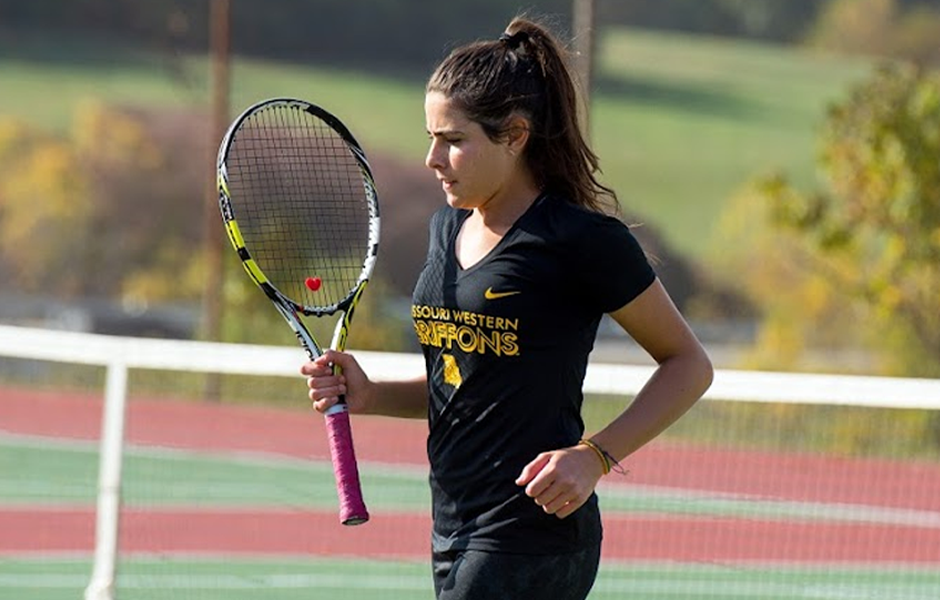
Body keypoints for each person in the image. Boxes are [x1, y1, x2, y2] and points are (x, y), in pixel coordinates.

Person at [301, 17, 714, 600]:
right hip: (453, 525)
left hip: (534, 533)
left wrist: (594, 456)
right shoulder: (445, 230)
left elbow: (689, 364)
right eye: (430, 136)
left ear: (515, 135)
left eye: (453, 140)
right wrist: (371, 395)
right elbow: (470, 381)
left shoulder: (582, 240)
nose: (432, 158)